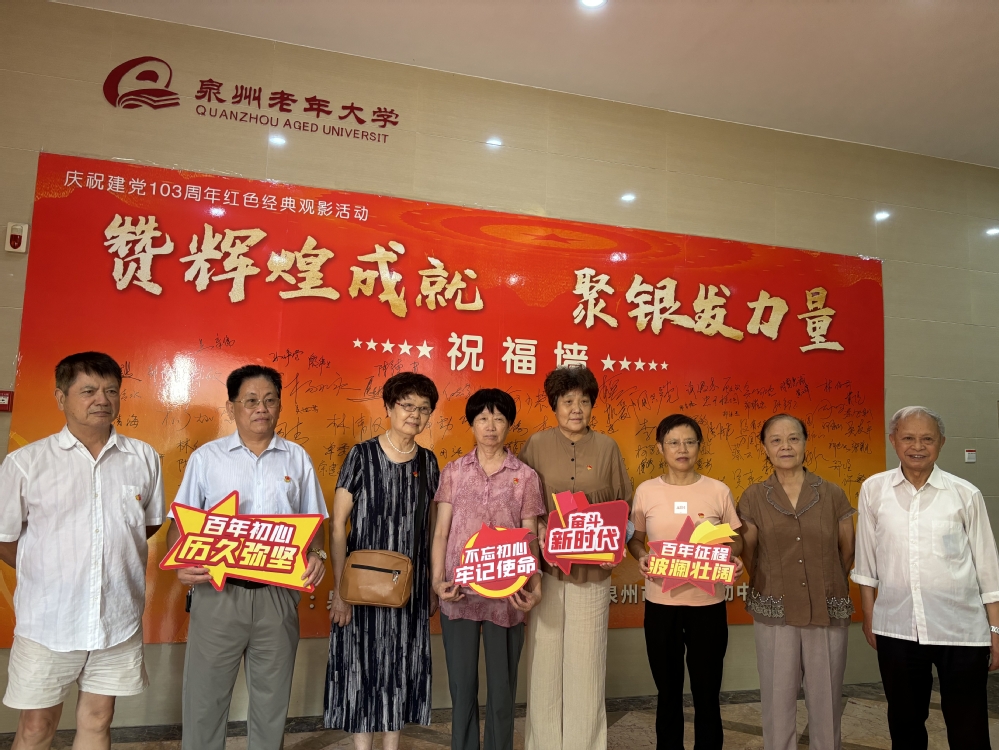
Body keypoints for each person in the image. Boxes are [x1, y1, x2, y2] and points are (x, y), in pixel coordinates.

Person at [0, 352, 164, 750]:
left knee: (98, 718)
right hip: (48, 621)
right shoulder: (26, 463)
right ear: (61, 397)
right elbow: (5, 538)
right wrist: (49, 569)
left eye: (111, 391)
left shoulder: (142, 457)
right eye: (88, 391)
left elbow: (148, 524)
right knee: (36, 726)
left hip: (117, 618)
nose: (102, 400)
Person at [167, 364, 328, 750]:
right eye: (251, 400)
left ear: (280, 406)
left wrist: (317, 554)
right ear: (231, 407)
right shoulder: (207, 458)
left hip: (277, 597)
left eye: (270, 400)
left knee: (272, 704)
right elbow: (179, 522)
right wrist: (180, 560)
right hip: (217, 595)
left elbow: (314, 521)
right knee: (204, 702)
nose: (262, 408)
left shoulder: (297, 459)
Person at [852, 405, 999, 750]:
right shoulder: (874, 489)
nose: (917, 446)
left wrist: (996, 630)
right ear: (893, 440)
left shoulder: (964, 494)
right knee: (905, 725)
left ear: (941, 443)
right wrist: (870, 616)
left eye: (927, 439)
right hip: (897, 628)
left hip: (961, 630)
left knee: (969, 728)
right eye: (908, 438)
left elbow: (988, 568)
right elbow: (866, 560)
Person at [325, 372, 440, 750]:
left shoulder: (429, 462)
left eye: (424, 409)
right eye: (407, 405)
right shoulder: (361, 456)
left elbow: (432, 529)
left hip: (409, 587)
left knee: (400, 668)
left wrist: (432, 583)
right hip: (361, 587)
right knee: (362, 666)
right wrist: (340, 591)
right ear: (389, 407)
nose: (415, 415)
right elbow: (338, 526)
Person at [519, 366, 632, 750]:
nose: (576, 409)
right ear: (555, 405)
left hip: (593, 573)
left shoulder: (607, 447)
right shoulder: (536, 445)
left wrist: (616, 546)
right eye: (568, 401)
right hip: (547, 572)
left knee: (587, 663)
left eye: (584, 401)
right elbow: (523, 504)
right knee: (544, 663)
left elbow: (624, 507)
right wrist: (539, 531)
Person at [431, 388, 546, 750]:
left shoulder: (525, 476)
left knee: (502, 691)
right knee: (462, 688)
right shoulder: (454, 471)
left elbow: (530, 536)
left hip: (507, 595)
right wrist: (437, 581)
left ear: (509, 424)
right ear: (472, 424)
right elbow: (441, 532)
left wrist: (536, 583)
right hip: (459, 593)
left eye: (498, 418)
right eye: (483, 418)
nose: (491, 426)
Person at [736, 414, 855, 750]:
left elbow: (847, 550)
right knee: (777, 696)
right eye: (776, 440)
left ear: (805, 442)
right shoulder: (754, 496)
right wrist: (772, 579)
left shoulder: (832, 493)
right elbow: (749, 551)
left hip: (827, 607)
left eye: (793, 438)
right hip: (775, 607)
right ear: (765, 448)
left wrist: (825, 581)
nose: (785, 446)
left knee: (826, 697)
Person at [627, 413, 742, 750]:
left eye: (689, 442)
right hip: (661, 605)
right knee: (668, 691)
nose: (682, 449)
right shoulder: (646, 491)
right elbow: (635, 539)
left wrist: (731, 556)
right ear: (660, 447)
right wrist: (641, 556)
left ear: (699, 446)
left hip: (708, 606)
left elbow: (735, 539)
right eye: (674, 442)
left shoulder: (718, 490)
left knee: (707, 690)